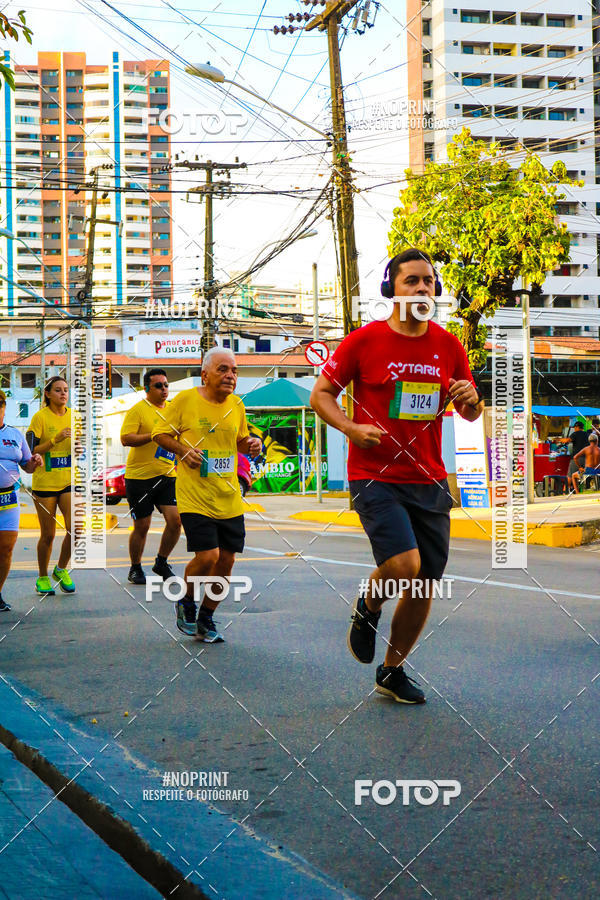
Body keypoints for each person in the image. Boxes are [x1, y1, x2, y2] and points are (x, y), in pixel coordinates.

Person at [311, 248, 483, 704]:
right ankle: (368, 606)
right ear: (391, 290)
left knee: (424, 581)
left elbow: (468, 413)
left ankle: (392, 670)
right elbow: (322, 393)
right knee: (404, 566)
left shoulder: (448, 346)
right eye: (412, 281)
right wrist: (349, 427)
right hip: (374, 474)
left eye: (429, 281)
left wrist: (471, 398)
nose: (422, 288)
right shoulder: (364, 341)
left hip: (428, 478)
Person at [152, 348, 261, 642]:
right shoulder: (186, 400)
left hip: (228, 495)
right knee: (208, 555)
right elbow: (160, 435)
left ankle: (207, 618)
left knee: (226, 562)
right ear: (205, 374)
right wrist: (184, 451)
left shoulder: (236, 404)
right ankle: (186, 599)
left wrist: (251, 444)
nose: (230, 376)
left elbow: (238, 441)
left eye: (234, 371)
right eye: (223, 369)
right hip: (194, 494)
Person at [120, 369, 181, 585]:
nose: (164, 389)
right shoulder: (138, 410)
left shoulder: (173, 409)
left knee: (175, 521)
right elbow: (126, 439)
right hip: (139, 478)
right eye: (158, 385)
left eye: (166, 385)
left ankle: (161, 562)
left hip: (166, 476)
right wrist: (154, 436)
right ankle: (135, 567)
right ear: (146, 388)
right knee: (142, 526)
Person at [27, 376, 75, 595]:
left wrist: (79, 448)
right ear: (48, 394)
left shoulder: (74, 416)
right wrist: (55, 440)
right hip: (45, 483)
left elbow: (76, 444)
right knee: (48, 534)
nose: (63, 394)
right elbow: (31, 451)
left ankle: (61, 569)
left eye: (65, 390)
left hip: (67, 480)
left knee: (77, 529)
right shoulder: (40, 417)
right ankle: (43, 577)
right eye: (58, 390)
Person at [0, 390, 43, 610]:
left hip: (8, 497)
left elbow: (27, 464)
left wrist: (35, 462)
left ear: (4, 407)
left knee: (6, 548)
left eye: (0, 404)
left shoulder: (14, 435)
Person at [567, 421, 588, 492]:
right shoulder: (587, 434)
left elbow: (568, 440)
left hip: (576, 458)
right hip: (586, 458)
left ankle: (567, 490)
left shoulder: (575, 434)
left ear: (577, 427)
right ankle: (582, 489)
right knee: (582, 475)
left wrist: (559, 439)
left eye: (574, 427)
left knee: (570, 475)